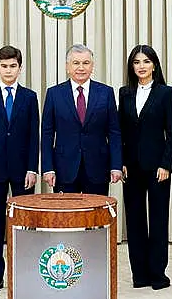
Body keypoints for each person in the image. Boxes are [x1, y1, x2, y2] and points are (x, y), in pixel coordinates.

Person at [0, 46, 39, 294]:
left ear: (20, 68)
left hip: (22, 170)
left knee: (24, 224)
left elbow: (34, 136)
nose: (8, 70)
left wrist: (32, 169)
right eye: (4, 66)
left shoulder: (30, 97)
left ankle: (24, 276)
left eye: (13, 66)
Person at [119, 45, 172, 290]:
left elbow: (171, 134)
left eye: (146, 61)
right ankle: (139, 274)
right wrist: (119, 162)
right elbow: (119, 131)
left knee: (158, 219)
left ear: (154, 64)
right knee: (135, 221)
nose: (141, 66)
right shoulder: (124, 93)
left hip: (157, 168)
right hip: (130, 167)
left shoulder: (166, 93)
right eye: (136, 62)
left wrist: (167, 164)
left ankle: (158, 274)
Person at [41, 44, 122, 195]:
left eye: (86, 63)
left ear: (92, 66)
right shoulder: (54, 94)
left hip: (98, 168)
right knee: (65, 218)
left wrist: (116, 165)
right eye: (76, 63)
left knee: (96, 217)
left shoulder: (106, 92)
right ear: (67, 66)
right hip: (64, 169)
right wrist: (48, 167)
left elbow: (114, 132)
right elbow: (47, 134)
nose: (81, 68)